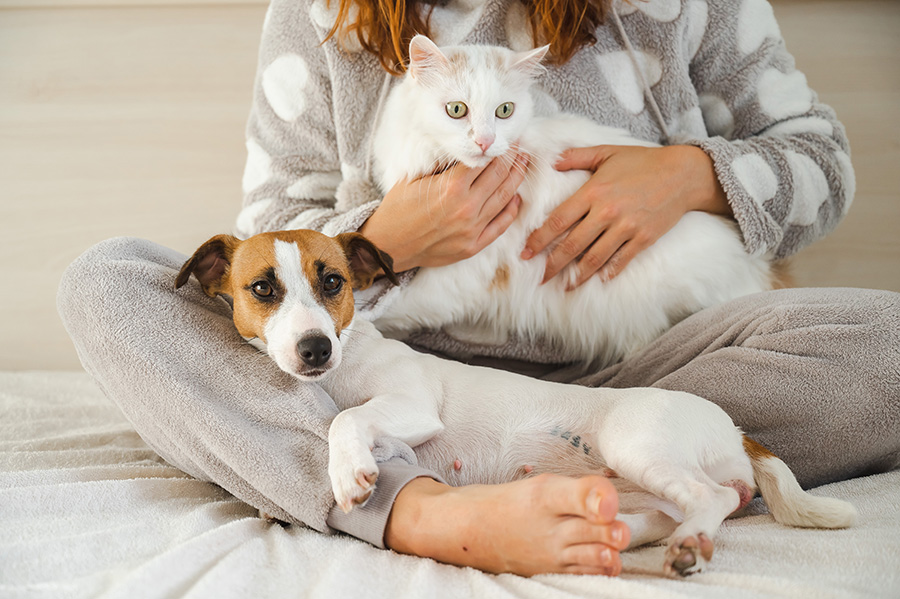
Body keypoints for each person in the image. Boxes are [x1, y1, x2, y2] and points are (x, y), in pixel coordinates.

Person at [58, 0, 900, 578]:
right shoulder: (319, 16)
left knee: (886, 339)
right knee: (107, 285)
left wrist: (688, 175)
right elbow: (272, 246)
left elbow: (822, 158)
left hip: (653, 373)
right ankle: (423, 513)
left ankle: (620, 473)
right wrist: (389, 241)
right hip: (393, 381)